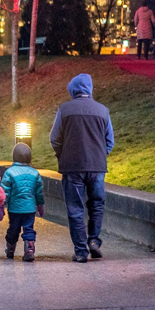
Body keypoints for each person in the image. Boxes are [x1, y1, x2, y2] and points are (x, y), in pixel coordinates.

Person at [50, 74, 115, 263]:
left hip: (72, 167)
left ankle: (80, 251)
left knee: (75, 209)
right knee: (96, 205)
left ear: (73, 89)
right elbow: (109, 141)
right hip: (97, 168)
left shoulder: (65, 109)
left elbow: (55, 138)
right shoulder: (103, 111)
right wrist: (100, 155)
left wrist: (63, 156)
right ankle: (93, 240)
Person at [0, 143, 44, 262]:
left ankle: (10, 249)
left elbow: (5, 191)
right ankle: (29, 249)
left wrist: (1, 205)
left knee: (13, 228)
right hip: (30, 209)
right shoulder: (35, 173)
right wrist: (40, 204)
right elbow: (39, 191)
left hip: (14, 209)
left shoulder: (9, 173)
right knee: (29, 228)